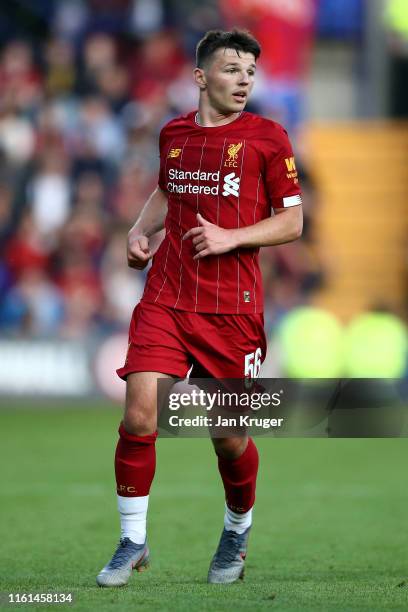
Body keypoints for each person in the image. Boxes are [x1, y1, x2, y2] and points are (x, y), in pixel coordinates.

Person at [96, 29, 303, 587]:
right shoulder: (174, 134)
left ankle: (238, 527)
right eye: (233, 69)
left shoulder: (268, 138)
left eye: (250, 72)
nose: (244, 80)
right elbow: (169, 189)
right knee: (140, 414)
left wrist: (232, 238)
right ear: (201, 77)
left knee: (228, 436)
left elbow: (292, 221)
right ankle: (132, 541)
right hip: (166, 296)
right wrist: (141, 231)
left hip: (230, 309)